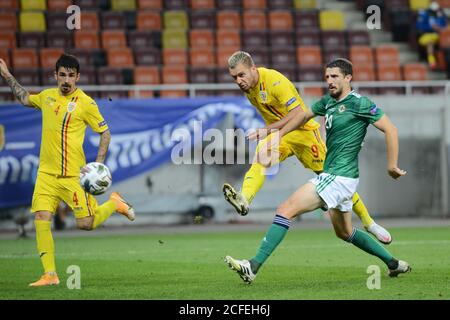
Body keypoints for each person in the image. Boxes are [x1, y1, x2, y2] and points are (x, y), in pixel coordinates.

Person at [224, 58, 411, 284]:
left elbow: (391, 129)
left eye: (335, 77)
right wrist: (277, 135)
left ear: (348, 78)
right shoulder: (327, 102)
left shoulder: (360, 103)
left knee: (285, 210)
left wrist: (391, 165)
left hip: (338, 177)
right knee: (345, 233)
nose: (329, 81)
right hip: (337, 176)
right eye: (327, 77)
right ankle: (394, 264)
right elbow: (302, 115)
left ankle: (252, 266)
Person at [0, 54, 135, 287]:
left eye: (71, 76)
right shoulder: (46, 97)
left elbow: (105, 133)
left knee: (86, 224)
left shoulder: (86, 103)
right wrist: (7, 75)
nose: (66, 80)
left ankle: (114, 203)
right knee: (42, 217)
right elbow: (24, 98)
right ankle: (50, 274)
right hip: (46, 175)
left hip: (74, 177)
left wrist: (98, 164)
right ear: (55, 75)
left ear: (78, 77)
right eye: (62, 75)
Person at [416, 1, 448, 69]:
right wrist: (431, 27)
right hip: (426, 35)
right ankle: (432, 62)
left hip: (439, 35)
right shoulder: (424, 15)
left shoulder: (440, 15)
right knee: (430, 43)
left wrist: (439, 28)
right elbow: (419, 26)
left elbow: (444, 26)